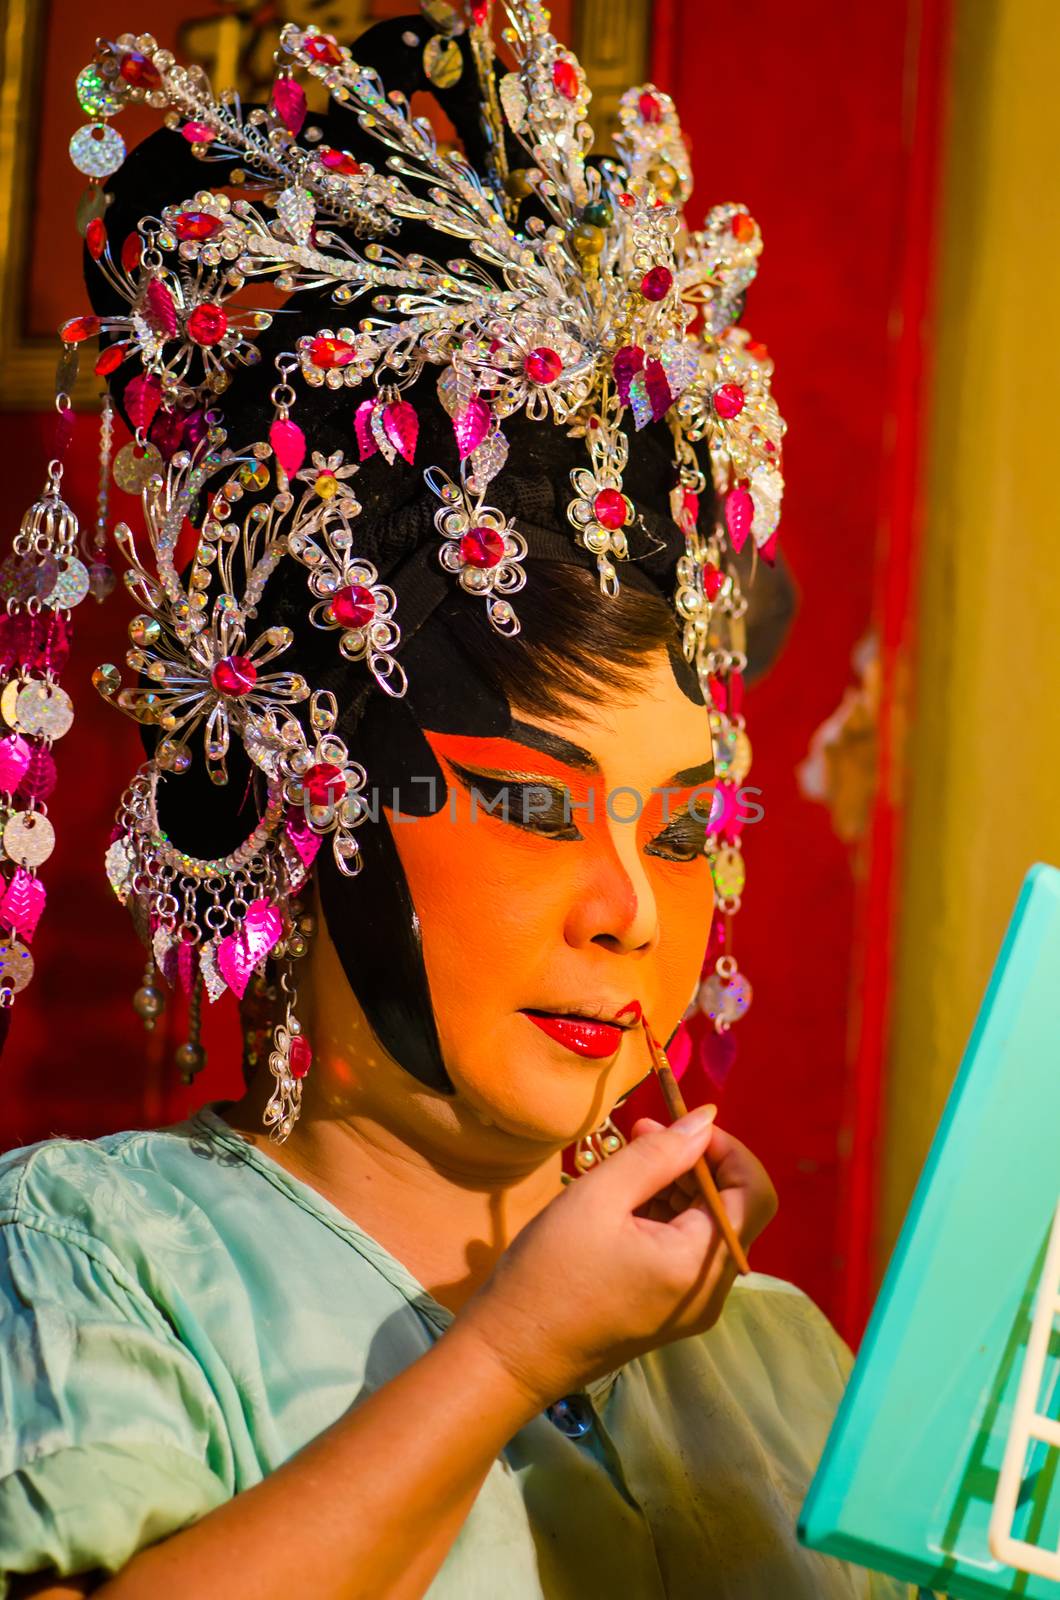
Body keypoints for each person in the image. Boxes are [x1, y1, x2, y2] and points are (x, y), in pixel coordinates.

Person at [0, 8, 917, 1597]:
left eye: (686, 828)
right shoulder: (98, 1258)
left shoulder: (773, 1356)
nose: (632, 911)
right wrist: (504, 1360)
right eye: (536, 810)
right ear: (300, 788)